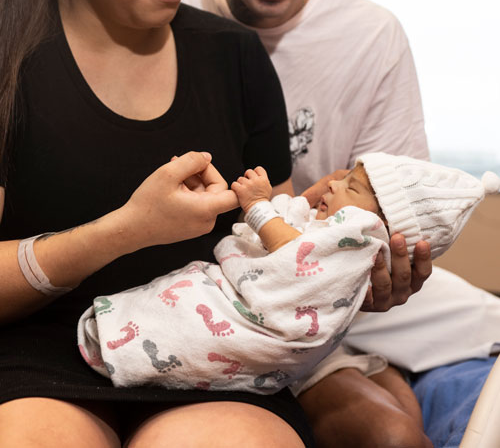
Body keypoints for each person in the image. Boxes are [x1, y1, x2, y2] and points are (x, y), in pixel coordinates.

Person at [0, 0, 316, 448]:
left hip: (213, 354)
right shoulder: (13, 59)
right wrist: (127, 229)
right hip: (42, 359)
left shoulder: (233, 58)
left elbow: (281, 243)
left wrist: (346, 263)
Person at [184, 0, 500, 447]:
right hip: (218, 279)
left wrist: (388, 267)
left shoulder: (372, 37)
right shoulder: (171, 9)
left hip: (338, 283)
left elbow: (392, 218)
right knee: (384, 426)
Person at [78, 155, 498, 397]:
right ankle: (123, 338)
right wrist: (291, 209)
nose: (334, 186)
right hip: (246, 300)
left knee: (188, 317)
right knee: (178, 302)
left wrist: (260, 206)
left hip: (255, 324)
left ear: (383, 223)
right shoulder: (342, 231)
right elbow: (302, 244)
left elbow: (296, 257)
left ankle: (123, 345)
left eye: (351, 188)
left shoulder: (362, 235)